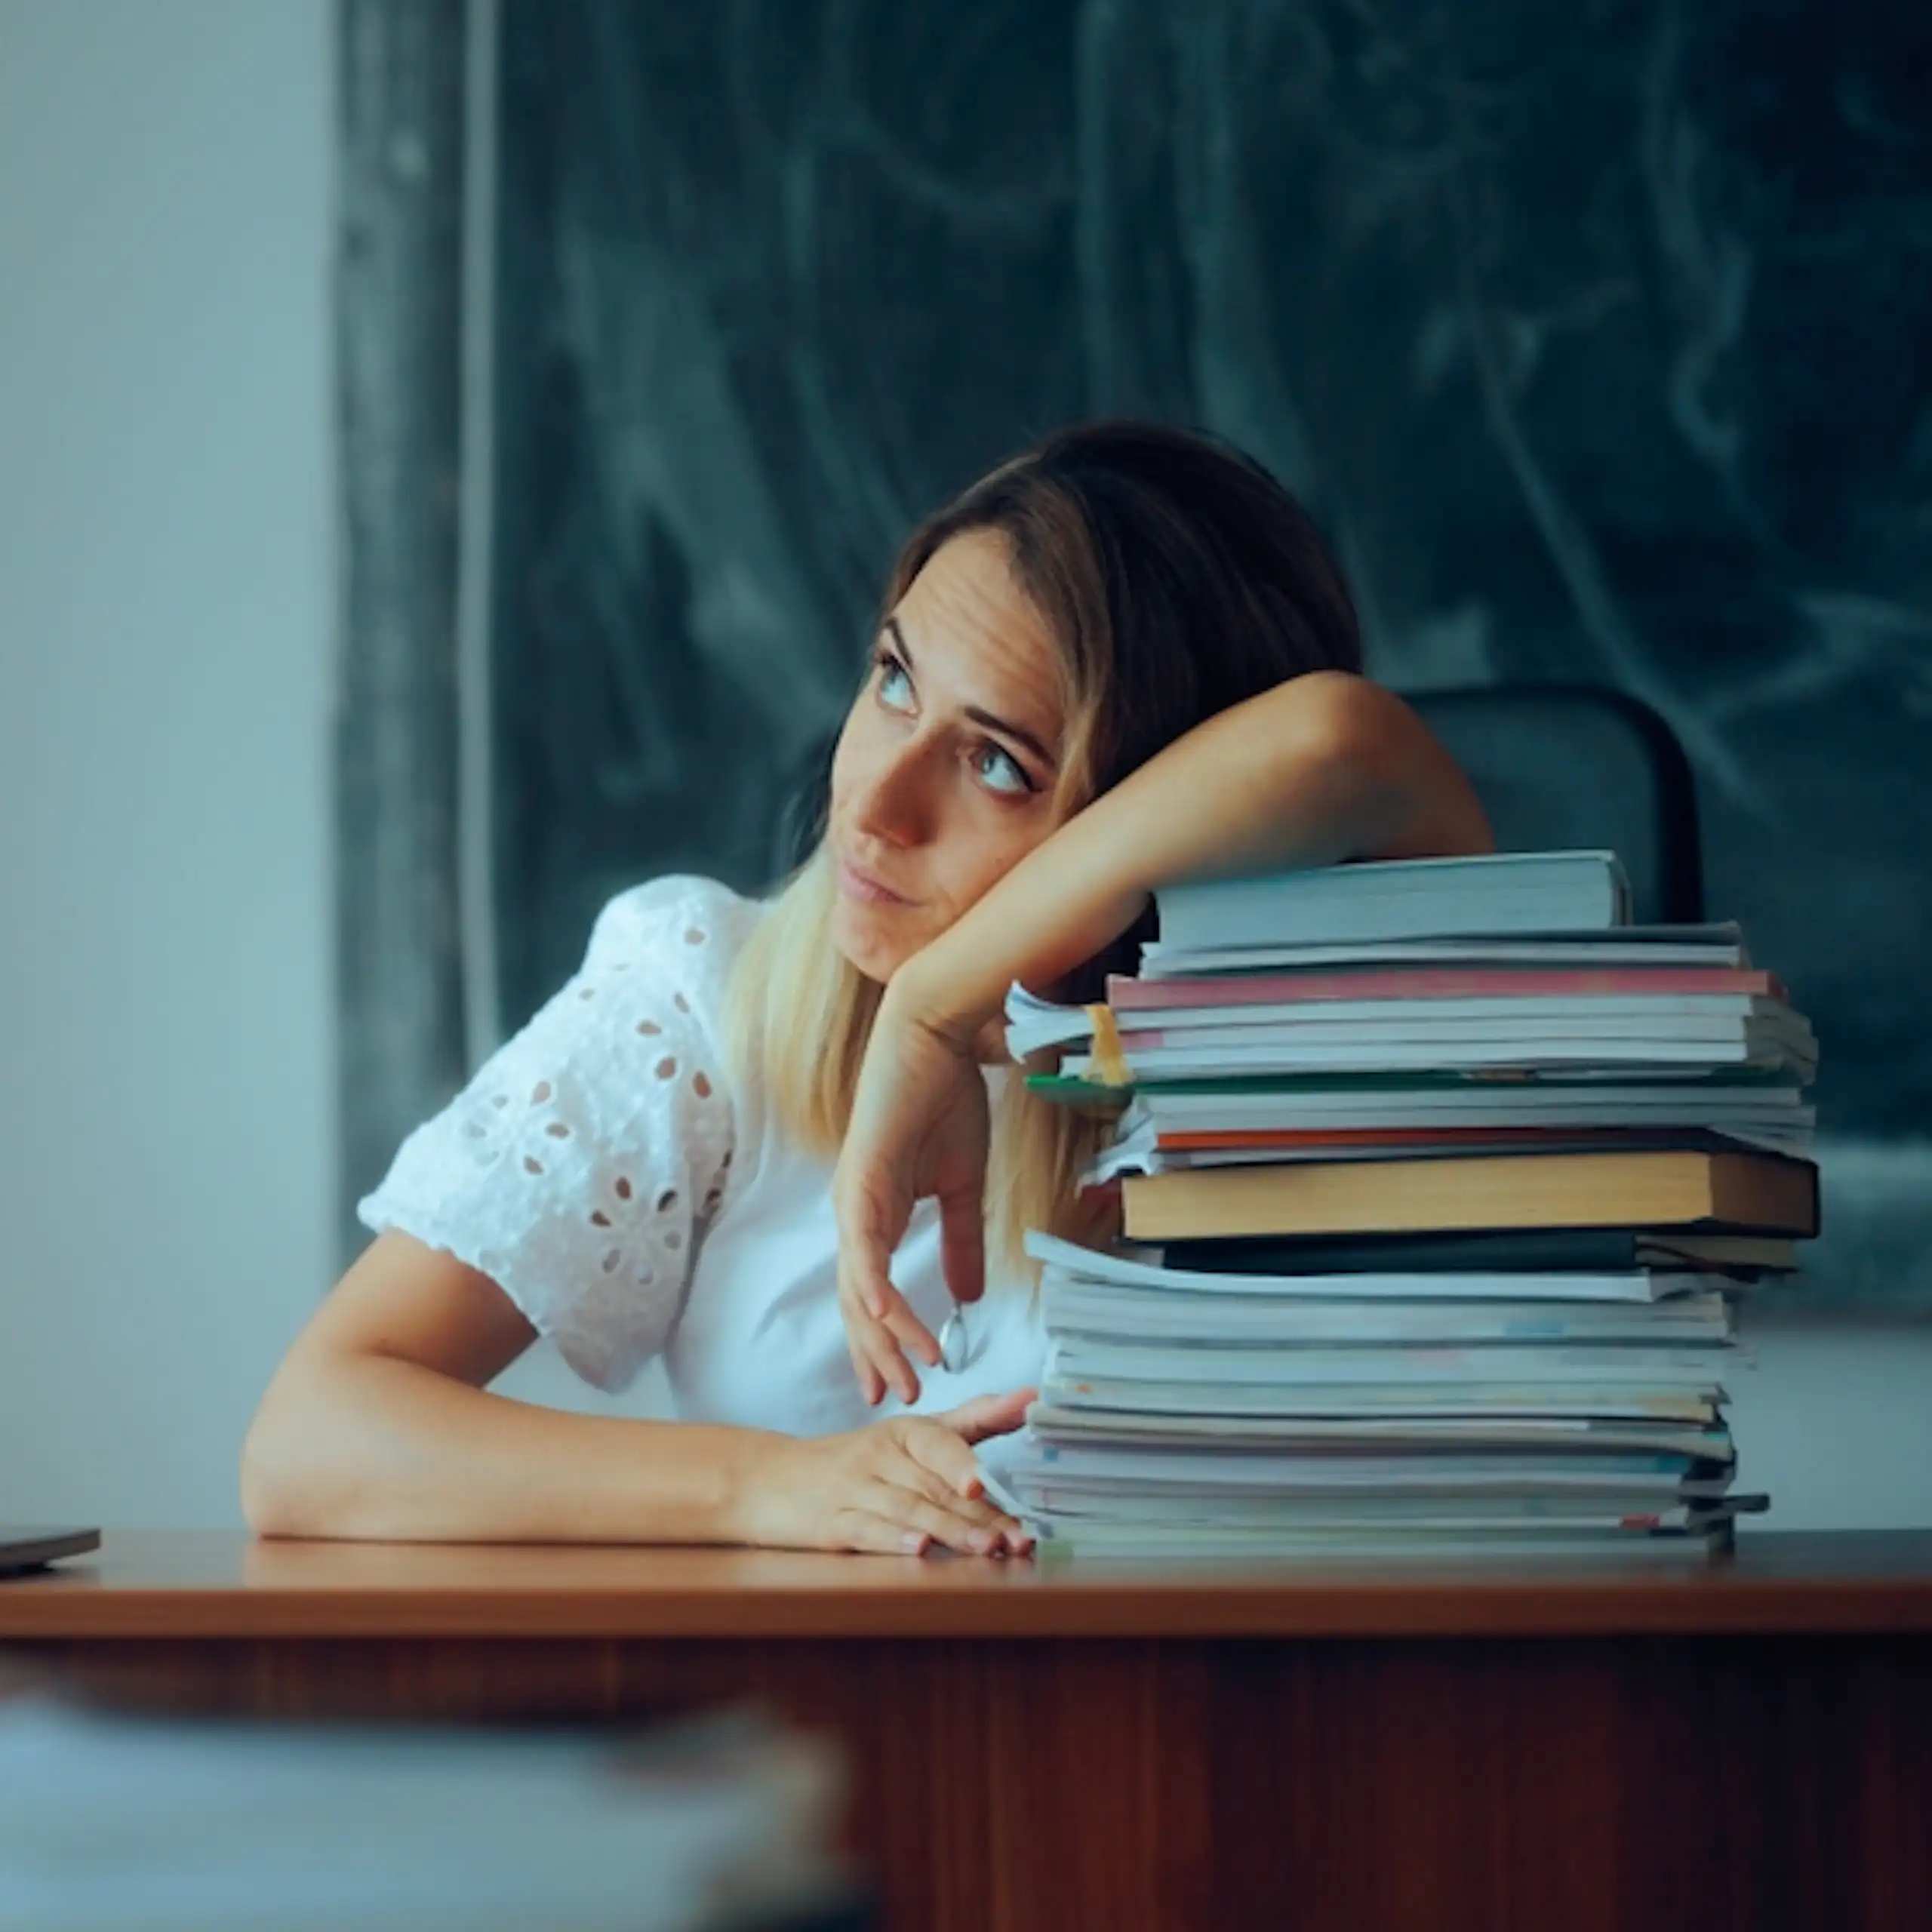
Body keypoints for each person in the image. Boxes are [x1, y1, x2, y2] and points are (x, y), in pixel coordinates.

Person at [242, 420, 1492, 1558]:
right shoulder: (702, 990)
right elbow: (310, 1442)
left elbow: (1342, 740)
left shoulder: (1307, 1026)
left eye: (996, 764)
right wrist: (772, 1490)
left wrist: (936, 1005)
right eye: (894, 680)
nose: (877, 804)